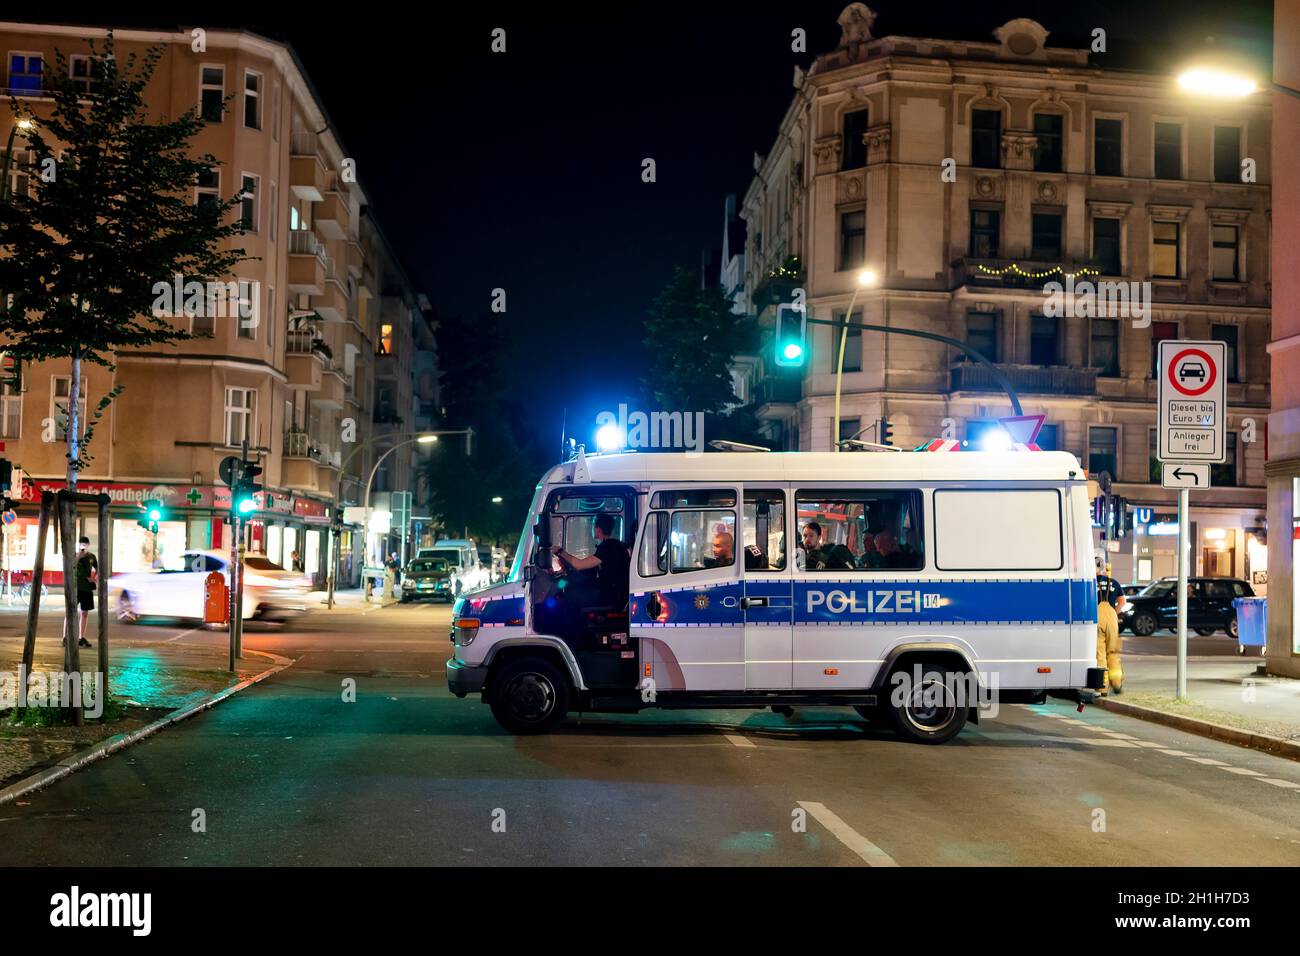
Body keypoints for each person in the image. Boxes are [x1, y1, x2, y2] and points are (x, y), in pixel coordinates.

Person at [550, 514, 630, 608]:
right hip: (614, 592)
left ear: (597, 529)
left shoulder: (608, 548)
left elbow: (579, 564)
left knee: (570, 594)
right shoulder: (617, 545)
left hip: (610, 594)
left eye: (593, 526)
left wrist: (560, 551)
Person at [63, 536, 96, 648]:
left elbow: (98, 568)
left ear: (88, 545)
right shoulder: (74, 555)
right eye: (82, 544)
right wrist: (78, 557)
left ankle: (81, 637)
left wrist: (94, 578)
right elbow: (70, 567)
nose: (83, 546)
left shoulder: (92, 556)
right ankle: (65, 637)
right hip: (74, 588)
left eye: (85, 544)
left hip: (86, 589)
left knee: (84, 612)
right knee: (70, 613)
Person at [1095, 582, 1120, 696]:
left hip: (1097, 616)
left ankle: (1103, 687)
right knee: (1113, 652)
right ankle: (1116, 683)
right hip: (1112, 617)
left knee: (1100, 654)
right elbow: (1122, 602)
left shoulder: (1091, 581)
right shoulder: (1114, 583)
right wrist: (1115, 613)